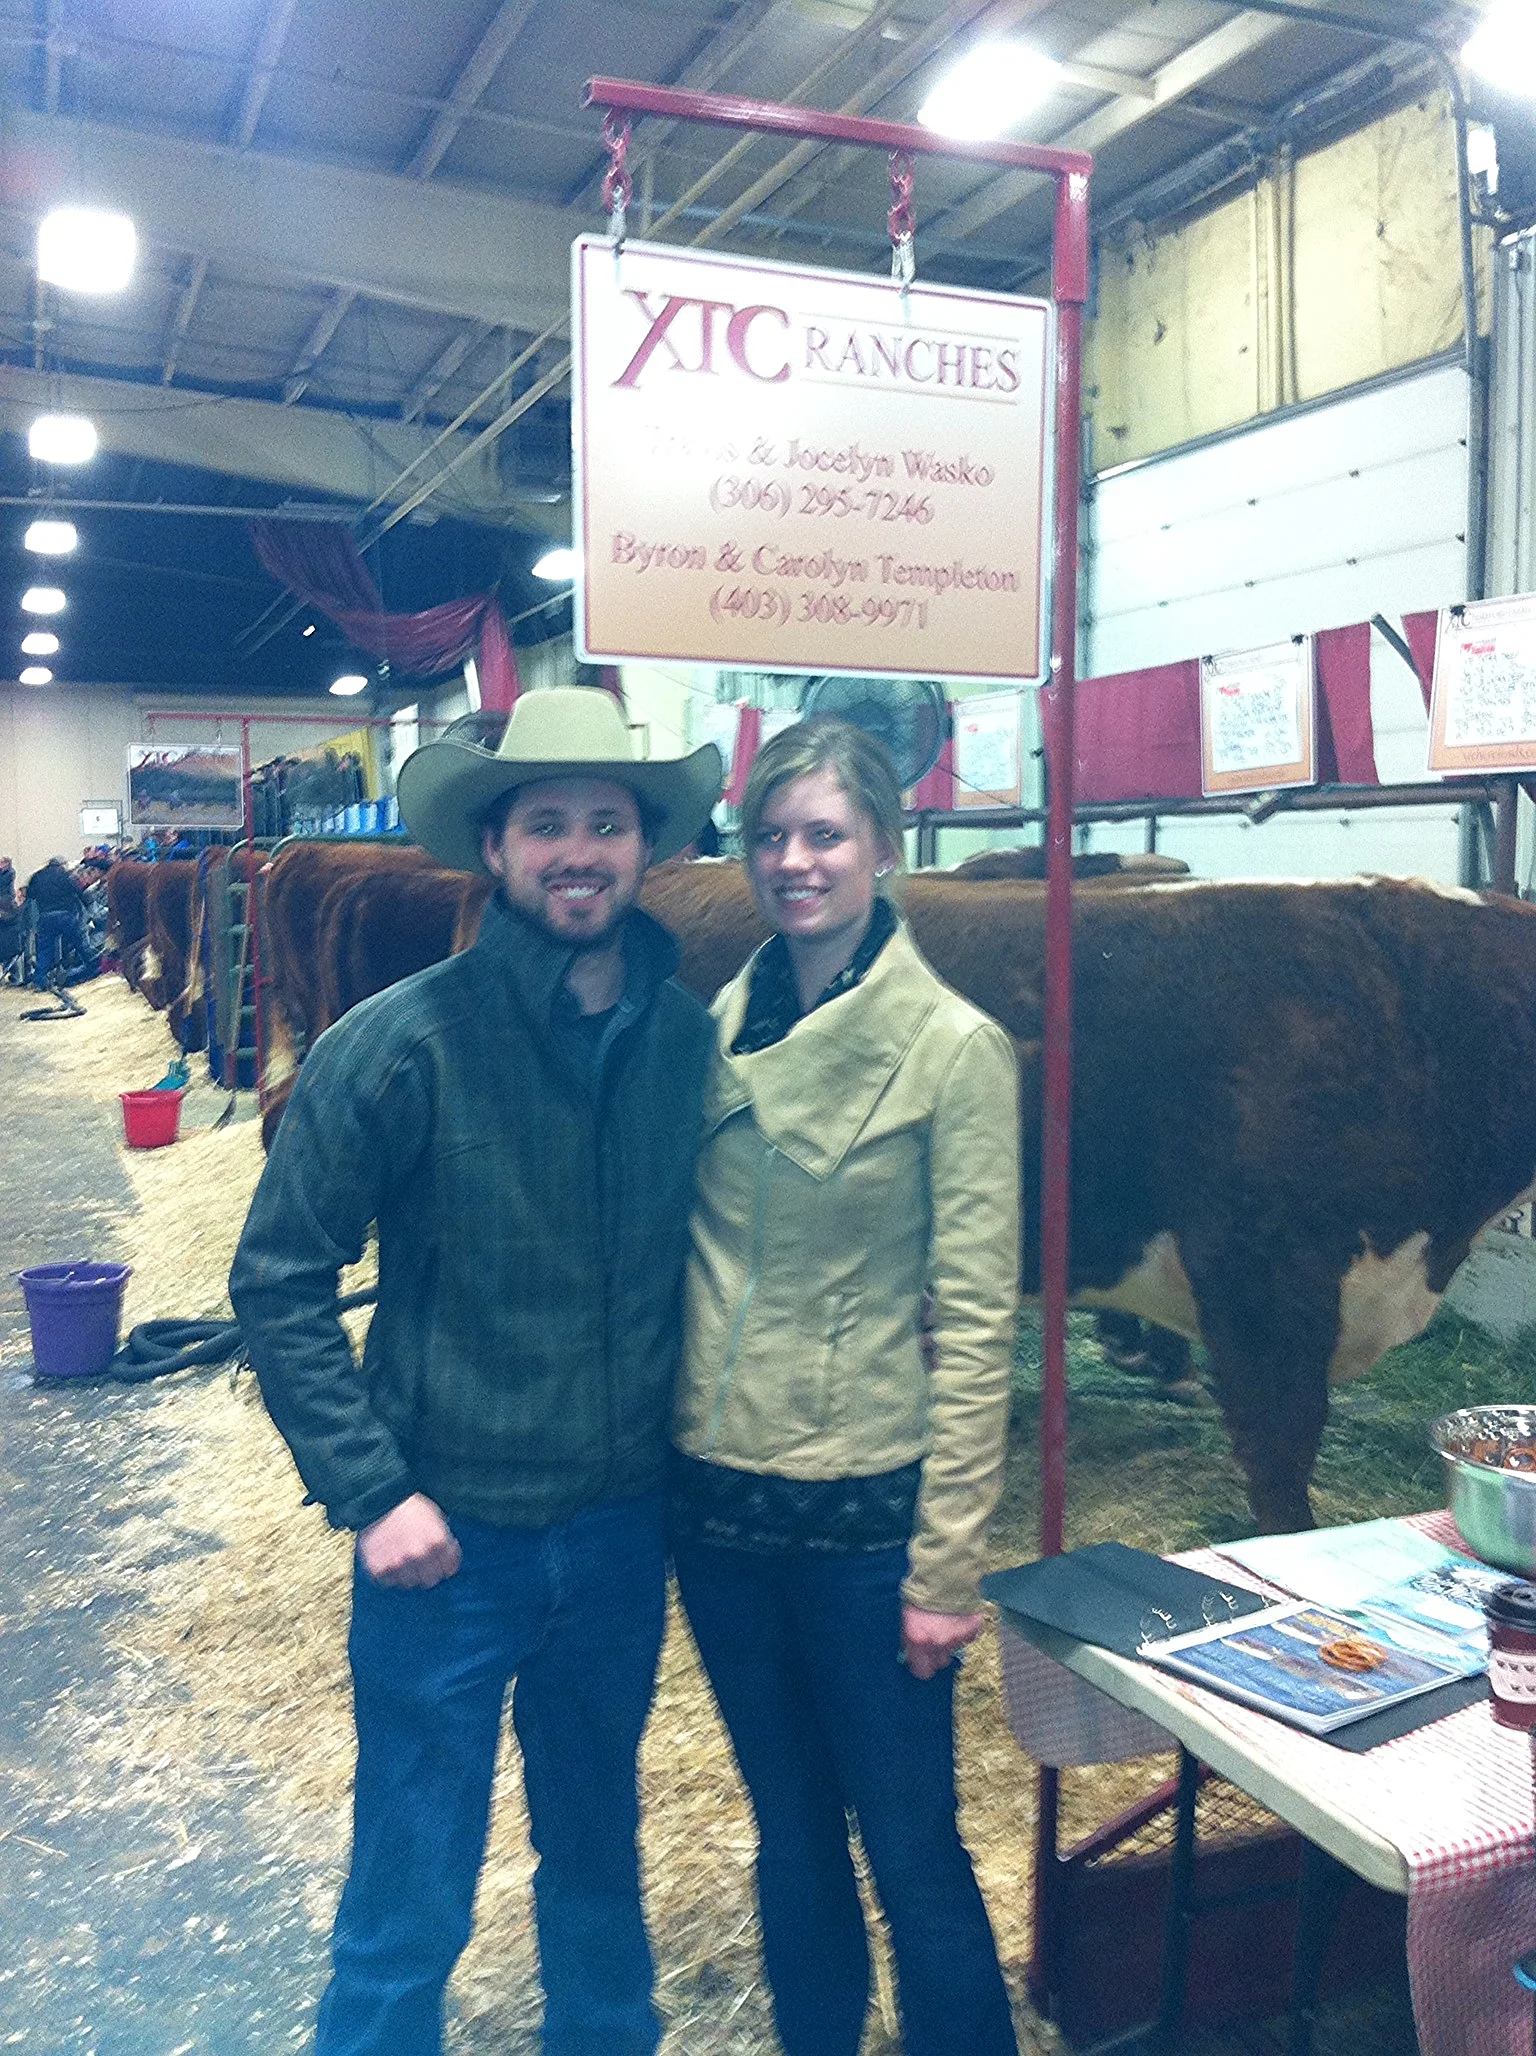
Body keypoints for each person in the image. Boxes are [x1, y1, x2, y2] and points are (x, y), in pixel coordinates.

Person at [229, 688, 723, 2056]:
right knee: (411, 1889)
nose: (580, 850)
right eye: (548, 823)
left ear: (644, 848)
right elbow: (276, 1280)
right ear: (496, 849)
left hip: (621, 1539)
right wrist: (371, 1491)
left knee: (598, 1865)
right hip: (445, 1543)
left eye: (606, 824)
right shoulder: (398, 1046)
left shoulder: (689, 1048)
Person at [670, 717, 1022, 2056]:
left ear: (884, 844)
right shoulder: (715, 1020)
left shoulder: (951, 1049)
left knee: (912, 1842)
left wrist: (948, 1567)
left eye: (824, 833)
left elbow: (981, 1319)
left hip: (863, 1515)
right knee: (790, 1830)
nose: (794, 861)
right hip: (715, 1506)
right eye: (771, 836)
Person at [24, 855, 88, 989]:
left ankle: (39, 980)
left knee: (44, 949)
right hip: (65, 915)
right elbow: (78, 892)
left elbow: (30, 894)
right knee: (79, 942)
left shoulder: (37, 876)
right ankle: (92, 967)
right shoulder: (64, 876)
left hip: (45, 916)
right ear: (60, 865)